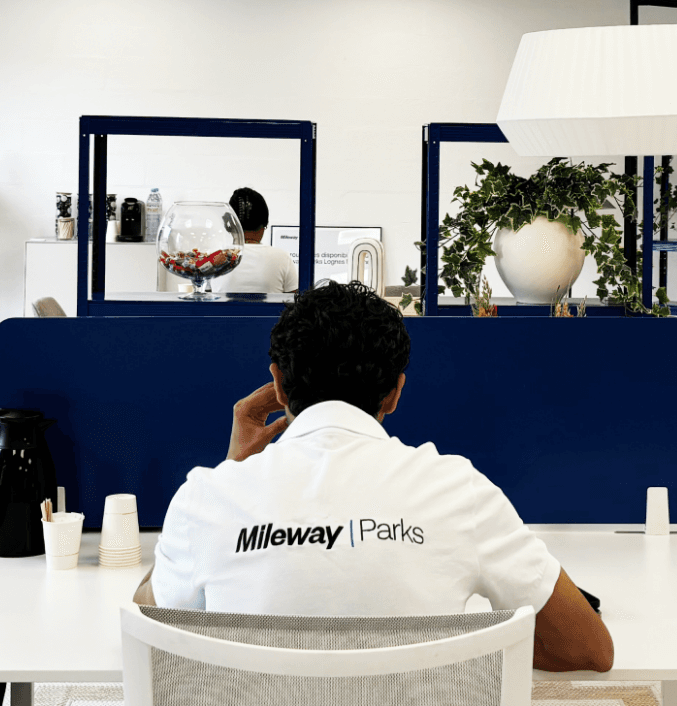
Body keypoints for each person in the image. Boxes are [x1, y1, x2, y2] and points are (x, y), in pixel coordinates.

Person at [142, 281, 614, 673]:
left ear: (278, 384)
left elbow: (146, 622)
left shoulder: (210, 496)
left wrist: (232, 470)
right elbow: (588, 649)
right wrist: (460, 650)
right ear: (394, 394)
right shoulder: (459, 491)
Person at [212, 186, 297, 295]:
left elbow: (203, 301)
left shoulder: (215, 259)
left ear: (229, 225)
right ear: (264, 226)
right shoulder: (282, 258)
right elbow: (296, 305)